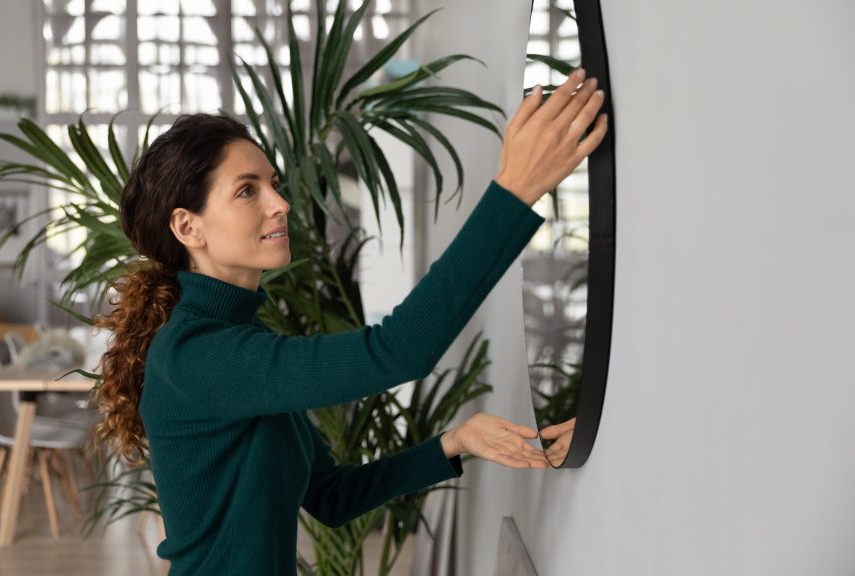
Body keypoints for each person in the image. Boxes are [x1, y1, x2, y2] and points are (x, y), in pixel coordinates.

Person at [92, 67, 607, 574]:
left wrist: (457, 441)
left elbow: (332, 496)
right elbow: (396, 351)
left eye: (272, 183)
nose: (281, 204)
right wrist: (513, 192)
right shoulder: (196, 355)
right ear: (188, 226)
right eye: (248, 191)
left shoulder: (236, 345)